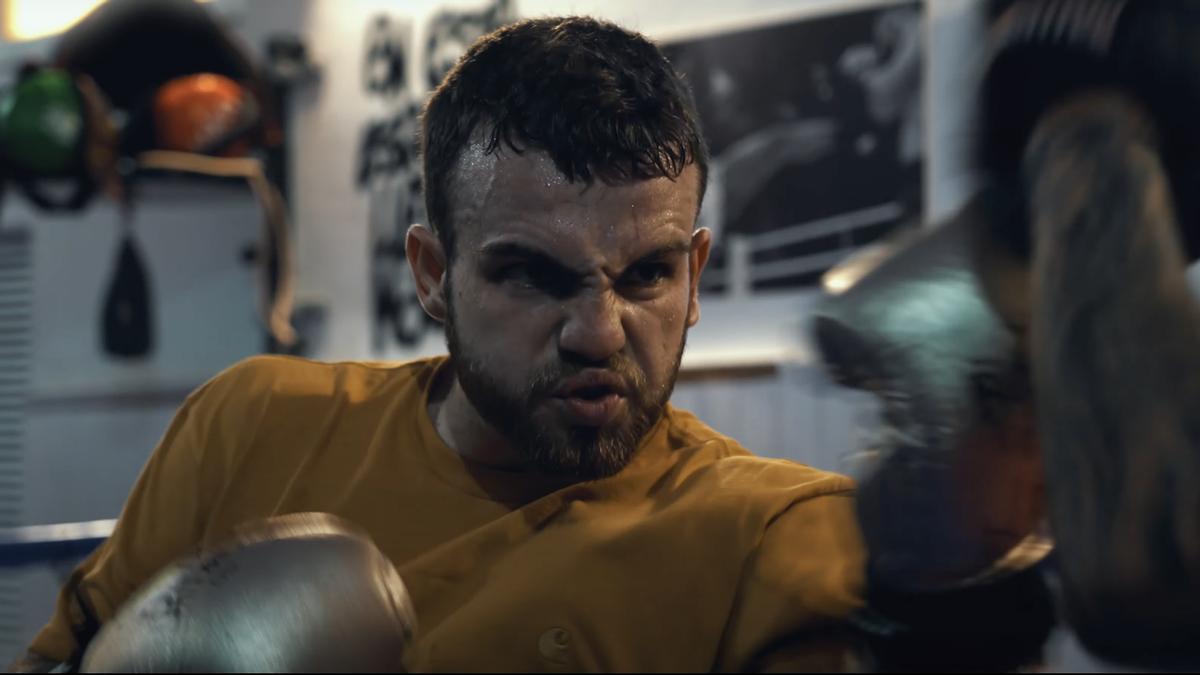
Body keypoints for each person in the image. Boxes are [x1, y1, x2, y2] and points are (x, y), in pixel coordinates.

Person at [9, 17, 1050, 673]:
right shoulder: (251, 424)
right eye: (531, 275)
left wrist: (960, 607)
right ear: (430, 272)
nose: (600, 334)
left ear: (695, 276)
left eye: (646, 275)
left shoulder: (771, 537)